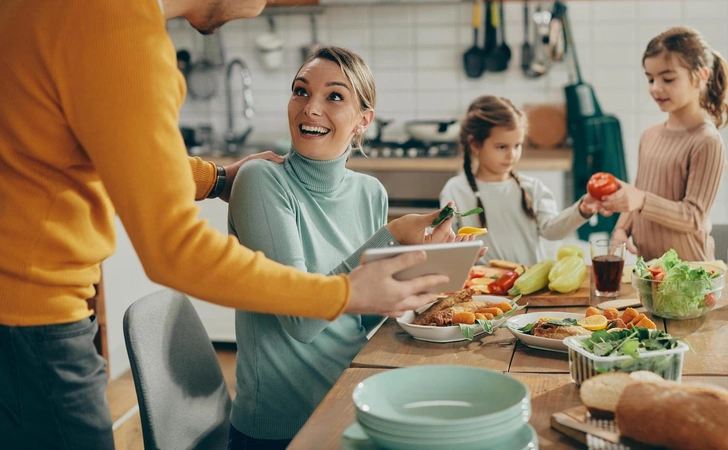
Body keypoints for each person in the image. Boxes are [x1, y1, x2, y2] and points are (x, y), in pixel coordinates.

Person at [0, 0, 446, 448]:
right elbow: (174, 252)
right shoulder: (126, 36)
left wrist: (215, 178)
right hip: (27, 311)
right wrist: (343, 293)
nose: (257, 12)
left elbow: (103, 147)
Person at [226, 46, 482, 449]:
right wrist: (392, 234)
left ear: (364, 121)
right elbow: (304, 320)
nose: (310, 108)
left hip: (354, 401)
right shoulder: (260, 182)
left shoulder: (368, 192)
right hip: (284, 431)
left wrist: (424, 275)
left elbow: (361, 319)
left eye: (334, 96)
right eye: (300, 91)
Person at [604, 27, 727, 261]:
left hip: (690, 273)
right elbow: (641, 191)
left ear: (701, 76)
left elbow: (693, 217)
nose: (655, 88)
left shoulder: (706, 141)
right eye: (650, 78)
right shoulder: (650, 135)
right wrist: (622, 228)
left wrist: (640, 200)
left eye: (667, 79)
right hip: (650, 270)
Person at [440, 96, 604, 265]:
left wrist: (582, 210)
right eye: (502, 147)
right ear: (475, 144)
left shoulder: (532, 188)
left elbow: (552, 231)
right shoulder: (455, 190)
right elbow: (446, 246)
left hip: (527, 284)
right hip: (480, 285)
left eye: (517, 145)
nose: (512, 155)